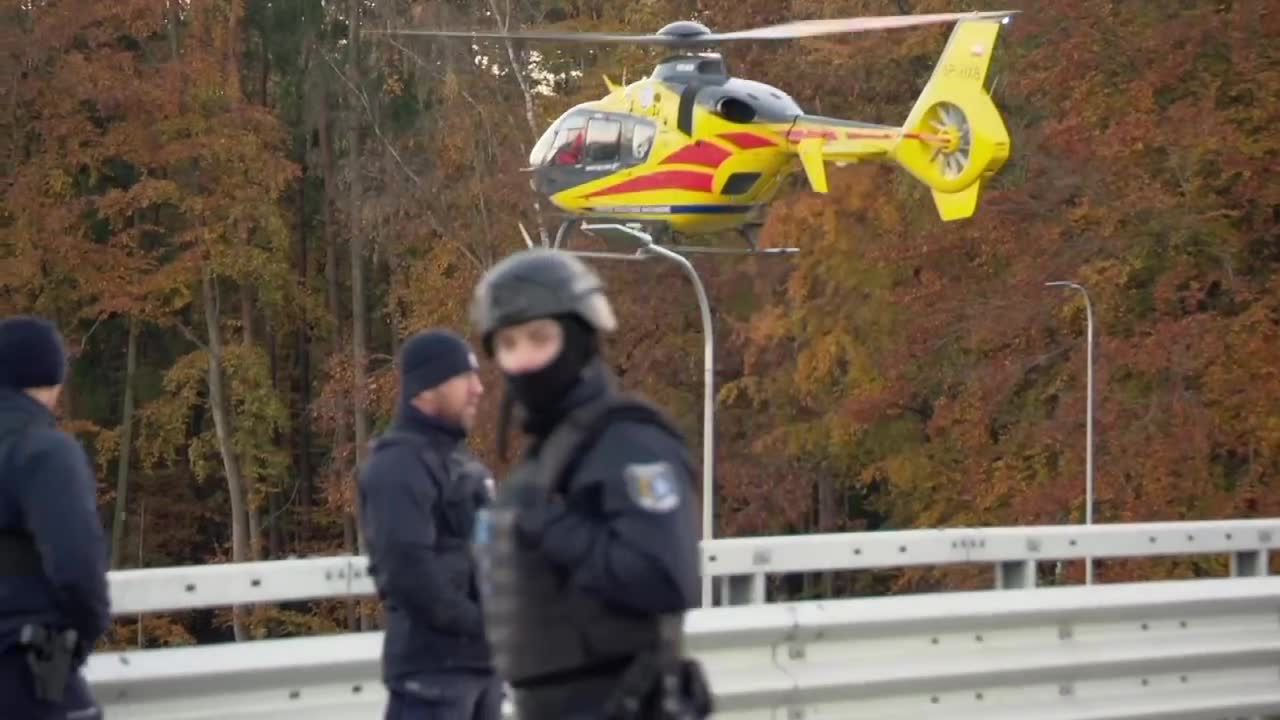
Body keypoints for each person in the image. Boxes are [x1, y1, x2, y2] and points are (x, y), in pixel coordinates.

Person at [468, 249, 713, 720]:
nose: (523, 361)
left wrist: (551, 526)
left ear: (581, 337)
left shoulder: (629, 442)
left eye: (540, 338)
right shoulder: (552, 452)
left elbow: (666, 578)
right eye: (509, 343)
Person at [357, 329, 504, 720]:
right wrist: (484, 624)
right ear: (425, 388)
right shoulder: (399, 466)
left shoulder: (462, 464)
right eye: (464, 377)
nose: (478, 389)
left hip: (481, 669)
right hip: (432, 675)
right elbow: (409, 575)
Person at [0, 315, 111, 719]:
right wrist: (73, 647)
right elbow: (78, 570)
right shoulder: (44, 452)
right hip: (22, 670)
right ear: (54, 381)